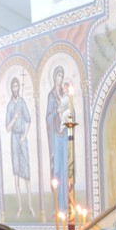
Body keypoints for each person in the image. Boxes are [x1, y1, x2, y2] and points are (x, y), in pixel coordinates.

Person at [5, 76, 33, 218]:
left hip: (22, 138)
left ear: (18, 88)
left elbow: (29, 120)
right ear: (11, 88)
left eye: (17, 86)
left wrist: (24, 136)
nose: (15, 89)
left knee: (26, 173)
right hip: (14, 139)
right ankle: (20, 207)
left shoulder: (22, 102)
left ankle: (30, 205)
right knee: (16, 172)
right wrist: (15, 118)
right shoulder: (10, 105)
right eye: (13, 86)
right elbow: (7, 128)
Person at [46, 66, 69, 214]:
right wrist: (56, 111)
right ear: (54, 77)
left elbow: (71, 112)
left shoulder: (65, 94)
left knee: (65, 168)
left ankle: (66, 205)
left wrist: (67, 113)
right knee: (58, 169)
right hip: (55, 134)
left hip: (64, 134)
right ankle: (57, 206)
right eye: (58, 75)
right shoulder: (51, 96)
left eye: (62, 75)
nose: (60, 79)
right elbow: (48, 117)